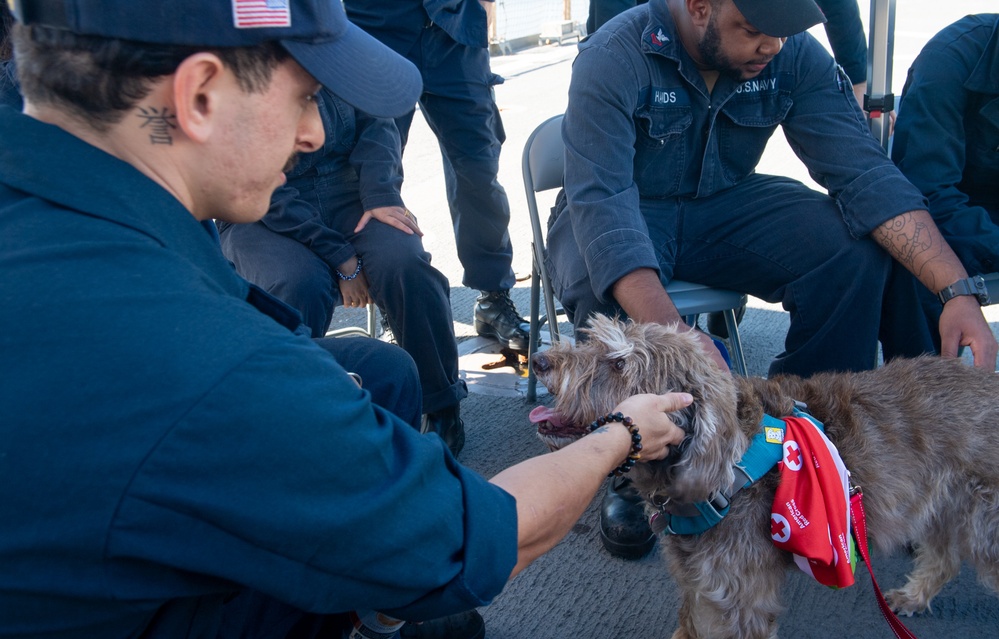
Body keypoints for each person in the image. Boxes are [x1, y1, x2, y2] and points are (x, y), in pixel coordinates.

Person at [0, 1, 696, 637]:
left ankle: (371, 595)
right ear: (200, 96)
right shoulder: (214, 362)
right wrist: (623, 431)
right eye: (305, 96)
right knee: (448, 591)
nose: (310, 132)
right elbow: (496, 533)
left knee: (376, 369)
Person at [546, 0, 999, 560]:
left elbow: (865, 173)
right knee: (603, 280)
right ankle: (632, 459)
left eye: (783, 34)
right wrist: (683, 345)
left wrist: (954, 292)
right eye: (755, 30)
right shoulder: (613, 55)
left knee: (852, 252)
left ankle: (800, 446)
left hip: (723, 203)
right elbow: (605, 209)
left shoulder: (790, 54)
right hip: (625, 205)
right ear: (700, 7)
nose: (772, 47)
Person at [217, 90, 469, 457]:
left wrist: (381, 194)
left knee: (405, 264)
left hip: (348, 188)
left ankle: (440, 401)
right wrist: (343, 259)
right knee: (297, 281)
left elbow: (378, 124)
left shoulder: (338, 50)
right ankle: (295, 416)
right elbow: (258, 182)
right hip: (262, 206)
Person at [342, 0, 534, 353]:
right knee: (372, 178)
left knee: (479, 171)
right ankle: (393, 306)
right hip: (375, 26)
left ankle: (493, 296)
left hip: (455, 29)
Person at [891, 13, 999, 350]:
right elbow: (928, 192)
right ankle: (927, 393)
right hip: (949, 213)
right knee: (913, 257)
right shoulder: (948, 60)